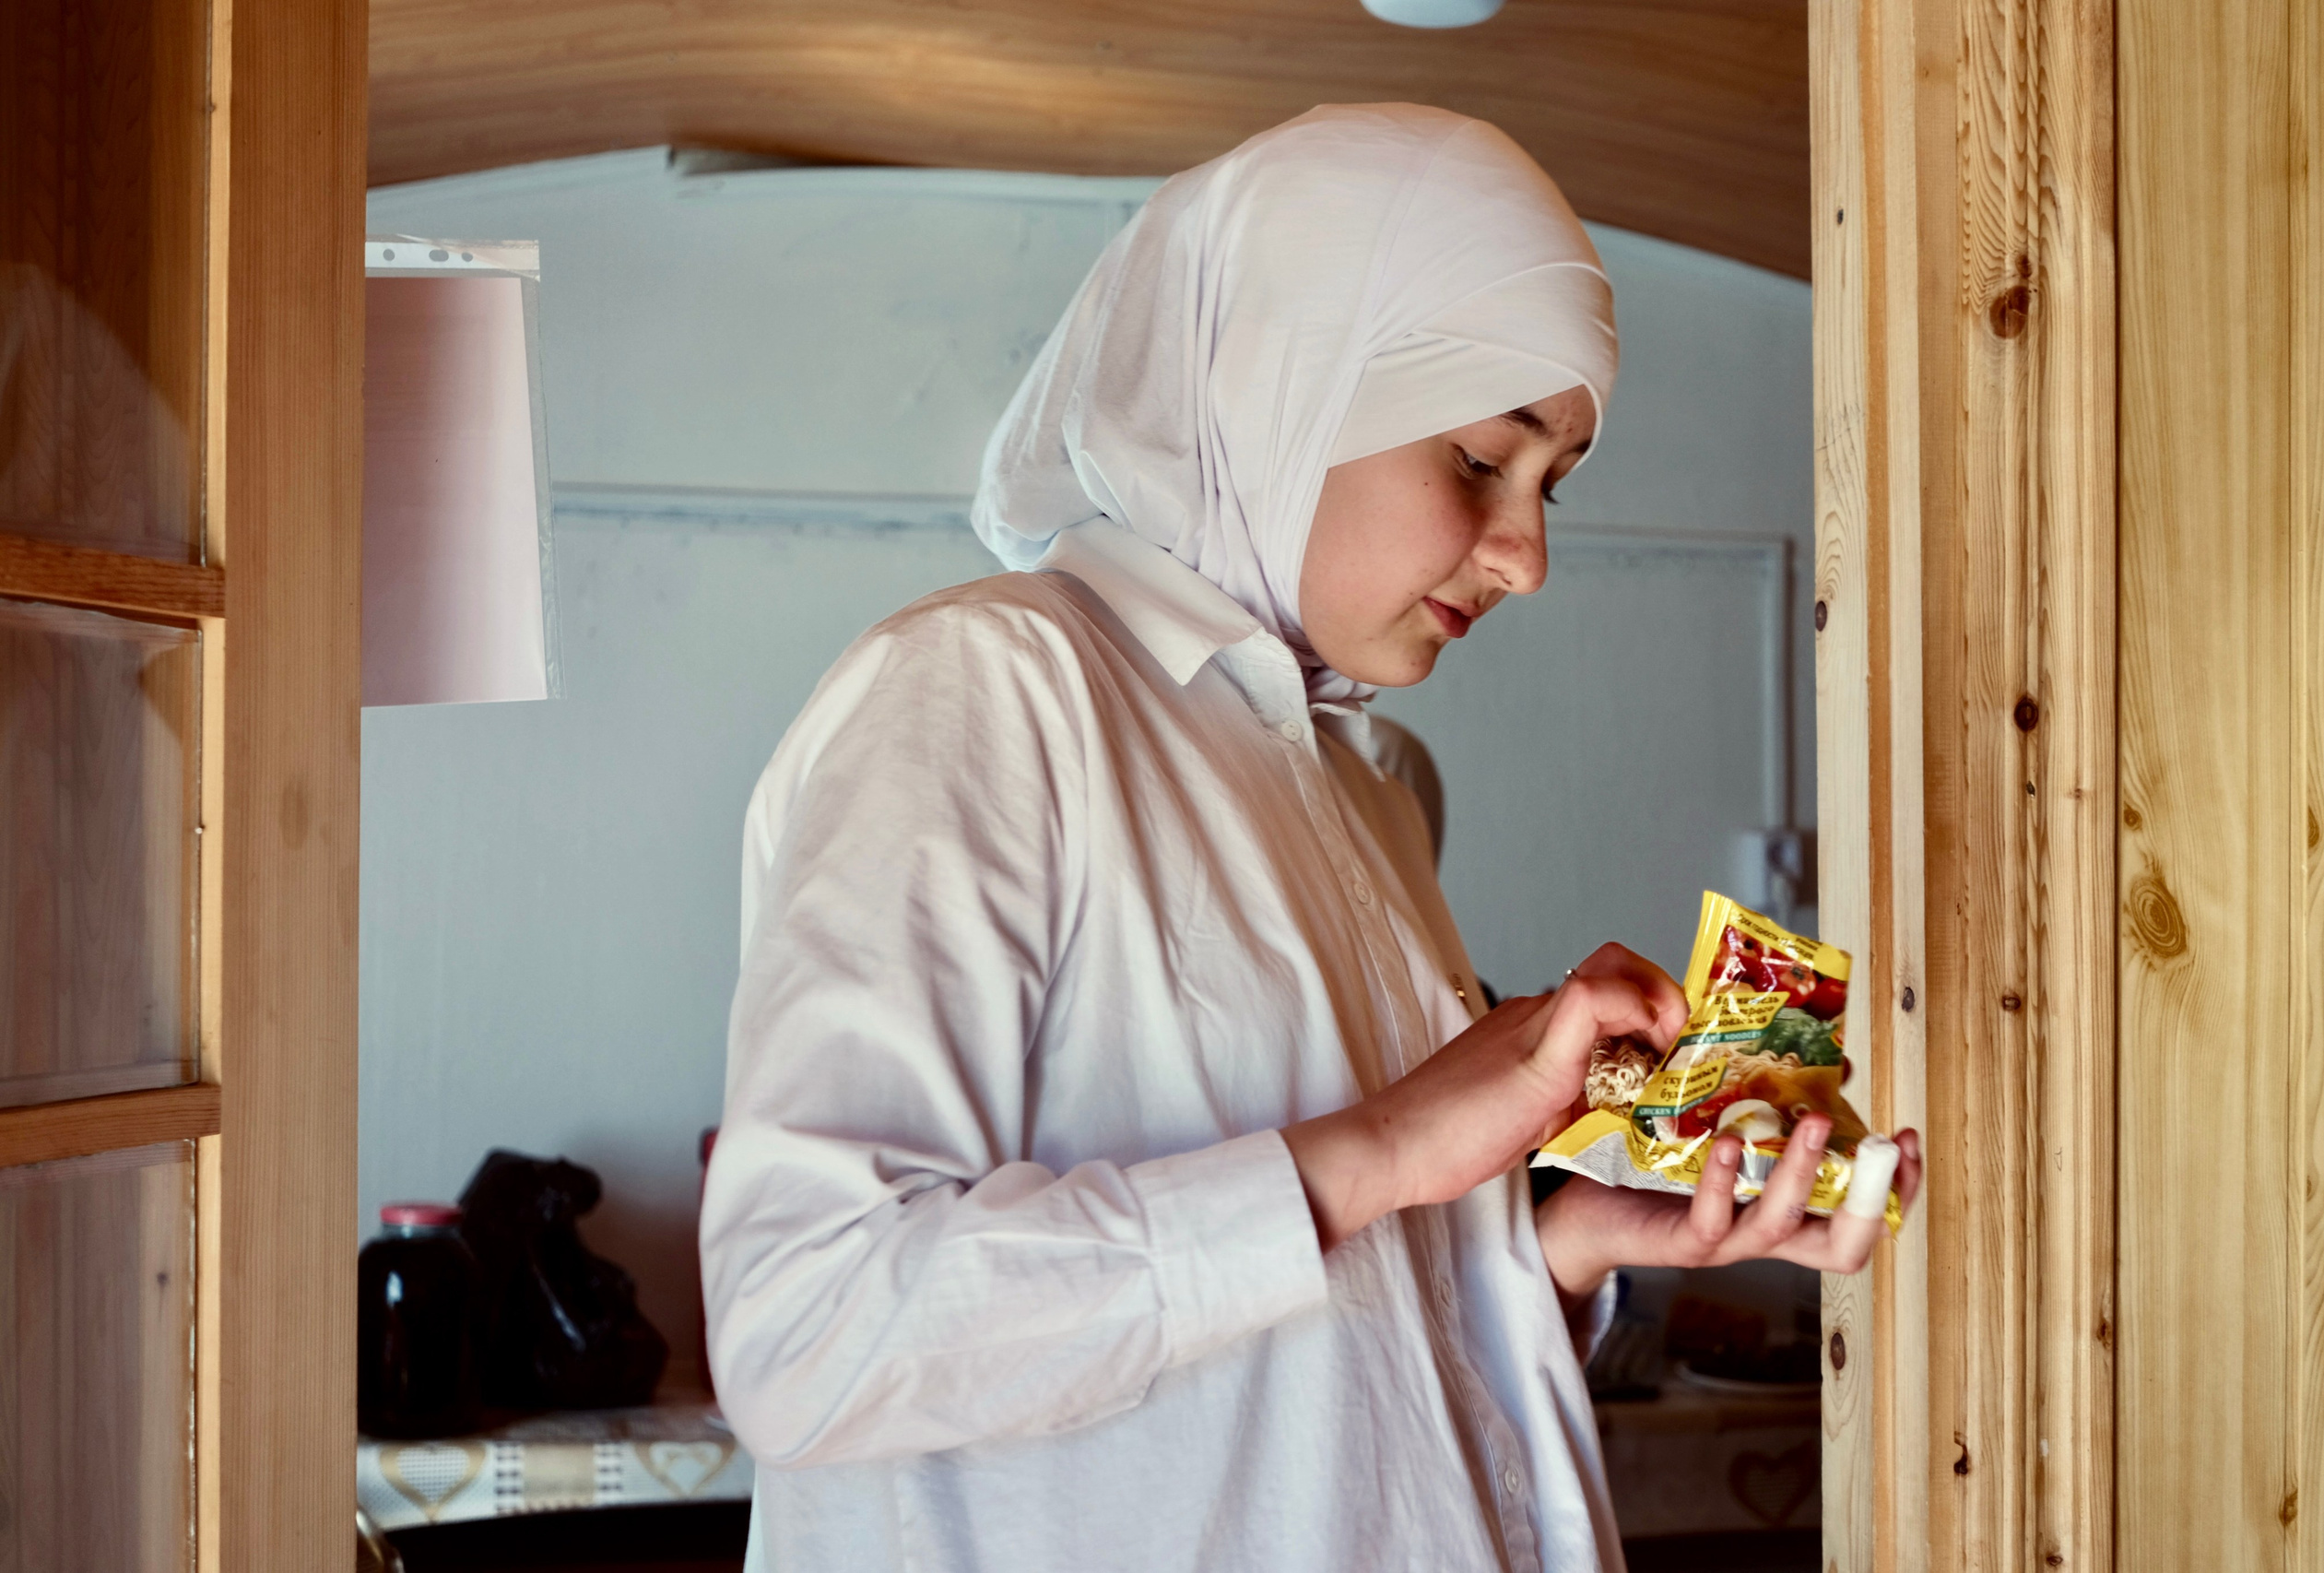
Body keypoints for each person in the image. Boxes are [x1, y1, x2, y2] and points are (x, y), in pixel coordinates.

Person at [701, 103, 1922, 1573]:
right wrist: (1393, 1144)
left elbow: (1321, 1357)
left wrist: (1572, 1242)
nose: (1527, 556)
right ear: (1283, 381)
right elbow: (810, 1326)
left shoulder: (1361, 785)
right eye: (1481, 456)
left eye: (1552, 486)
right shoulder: (987, 691)